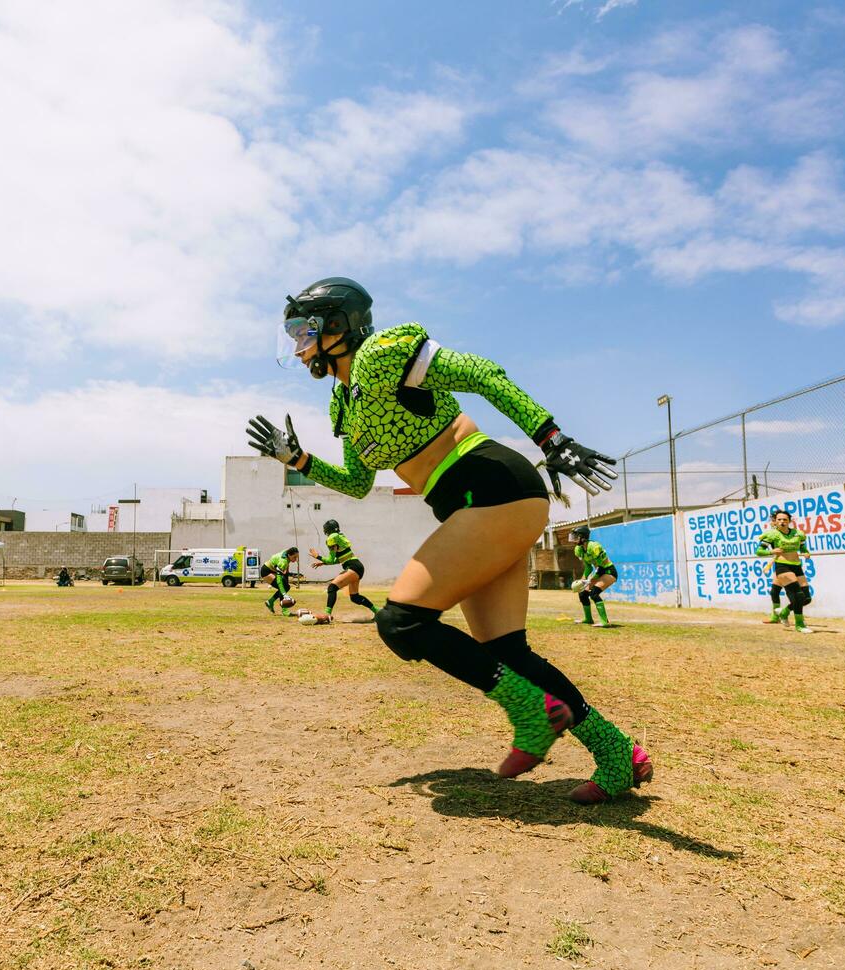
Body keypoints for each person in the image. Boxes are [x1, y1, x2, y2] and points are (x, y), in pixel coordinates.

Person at [246, 276, 648, 804]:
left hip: (490, 484)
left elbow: (482, 373)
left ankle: (529, 711)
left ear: (338, 326)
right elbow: (358, 483)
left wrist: (551, 438)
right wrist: (297, 461)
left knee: (402, 621)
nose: (298, 348)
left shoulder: (383, 354)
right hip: (476, 501)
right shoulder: (343, 403)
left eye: (304, 332)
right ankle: (619, 754)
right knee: (509, 654)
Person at [308, 519, 379, 624]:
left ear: (327, 530)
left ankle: (327, 614)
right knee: (355, 597)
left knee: (332, 587)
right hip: (356, 566)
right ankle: (378, 612)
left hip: (353, 567)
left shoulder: (332, 538)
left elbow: (331, 559)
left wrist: (317, 556)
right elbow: (340, 559)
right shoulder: (339, 536)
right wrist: (324, 563)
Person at [756, 510, 812, 633]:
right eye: (779, 519)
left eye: (785, 519)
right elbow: (759, 551)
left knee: (806, 598)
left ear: (789, 521)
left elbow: (802, 547)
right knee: (797, 595)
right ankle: (800, 625)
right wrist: (771, 551)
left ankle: (783, 612)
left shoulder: (798, 534)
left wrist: (806, 552)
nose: (782, 522)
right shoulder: (772, 535)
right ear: (775, 522)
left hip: (797, 566)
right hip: (782, 566)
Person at [568, 527, 617, 627]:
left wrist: (591, 579)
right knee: (582, 593)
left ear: (583, 537)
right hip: (600, 571)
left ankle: (605, 622)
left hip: (608, 571)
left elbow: (602, 567)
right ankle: (588, 619)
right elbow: (588, 567)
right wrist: (582, 580)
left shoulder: (594, 546)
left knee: (594, 593)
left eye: (576, 536)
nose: (574, 539)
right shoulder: (579, 549)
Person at [259, 547, 299, 613]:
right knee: (283, 587)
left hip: (272, 570)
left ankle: (270, 602)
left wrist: (287, 575)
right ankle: (284, 610)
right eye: (294, 557)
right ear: (289, 555)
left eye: (297, 557)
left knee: (287, 587)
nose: (296, 559)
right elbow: (279, 581)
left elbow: (285, 572)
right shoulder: (283, 561)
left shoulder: (287, 554)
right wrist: (284, 594)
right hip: (266, 571)